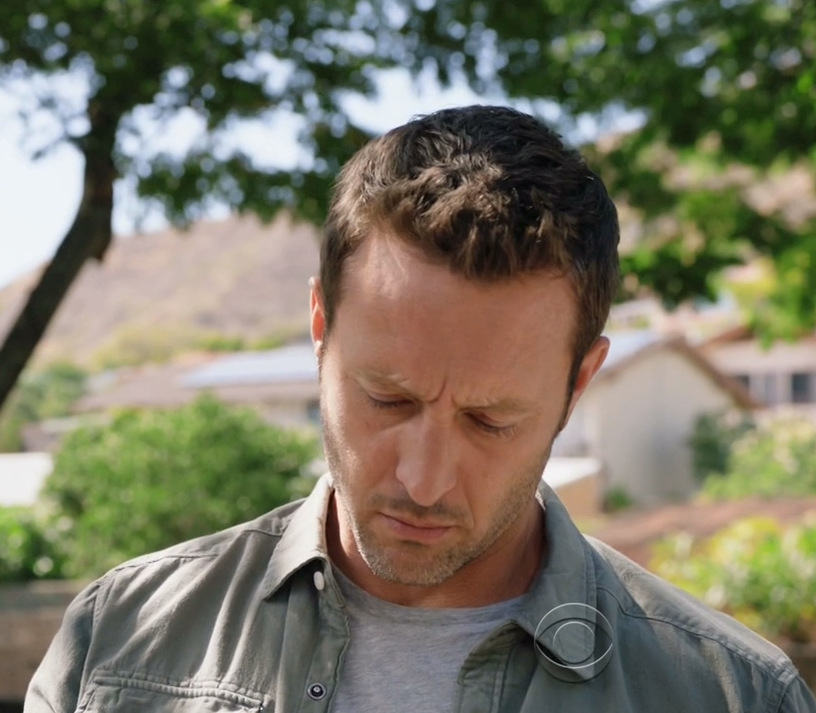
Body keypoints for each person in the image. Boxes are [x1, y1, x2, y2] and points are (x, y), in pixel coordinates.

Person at [26, 105, 815, 713]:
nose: (424, 478)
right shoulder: (119, 639)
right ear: (320, 329)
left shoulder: (736, 694)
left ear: (580, 383)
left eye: (490, 420)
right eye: (388, 398)